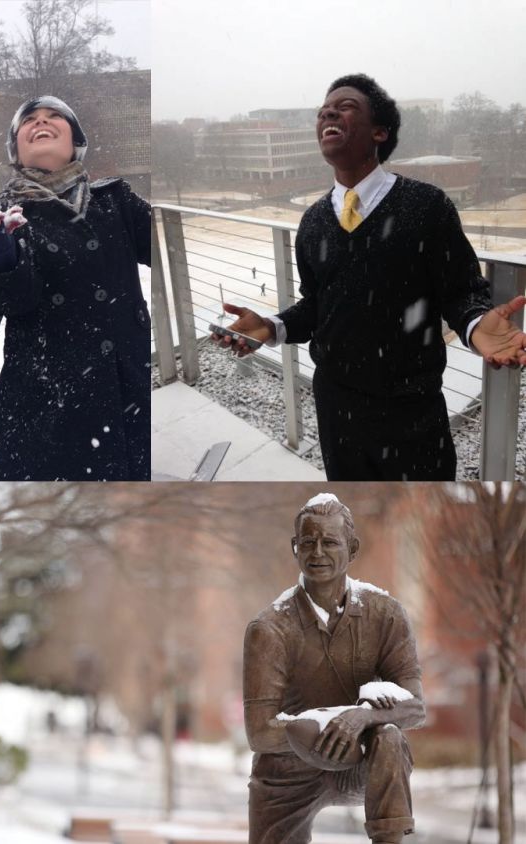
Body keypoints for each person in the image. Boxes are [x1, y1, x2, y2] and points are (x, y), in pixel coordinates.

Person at [218, 74, 526, 480]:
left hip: (411, 412)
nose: (328, 111)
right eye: (323, 109)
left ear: (380, 132)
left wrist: (473, 324)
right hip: (336, 410)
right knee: (356, 526)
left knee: (423, 527)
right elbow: (317, 306)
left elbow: (460, 290)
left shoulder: (426, 206)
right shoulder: (312, 223)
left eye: (346, 106)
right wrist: (272, 326)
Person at [0, 95, 152, 480]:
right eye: (28, 120)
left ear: (75, 140)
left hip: (127, 389)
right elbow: (8, 305)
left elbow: (170, 249)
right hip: (46, 403)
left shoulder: (117, 201)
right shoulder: (3, 214)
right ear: (16, 148)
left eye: (54, 116)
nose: (40, 122)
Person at [243, 494, 425, 844]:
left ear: (353, 549)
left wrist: (361, 719)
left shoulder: (385, 614)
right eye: (307, 542)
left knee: (389, 738)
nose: (317, 553)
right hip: (287, 770)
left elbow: (415, 706)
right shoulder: (268, 628)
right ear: (294, 548)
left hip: (359, 762)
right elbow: (259, 732)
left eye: (329, 542)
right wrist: (324, 728)